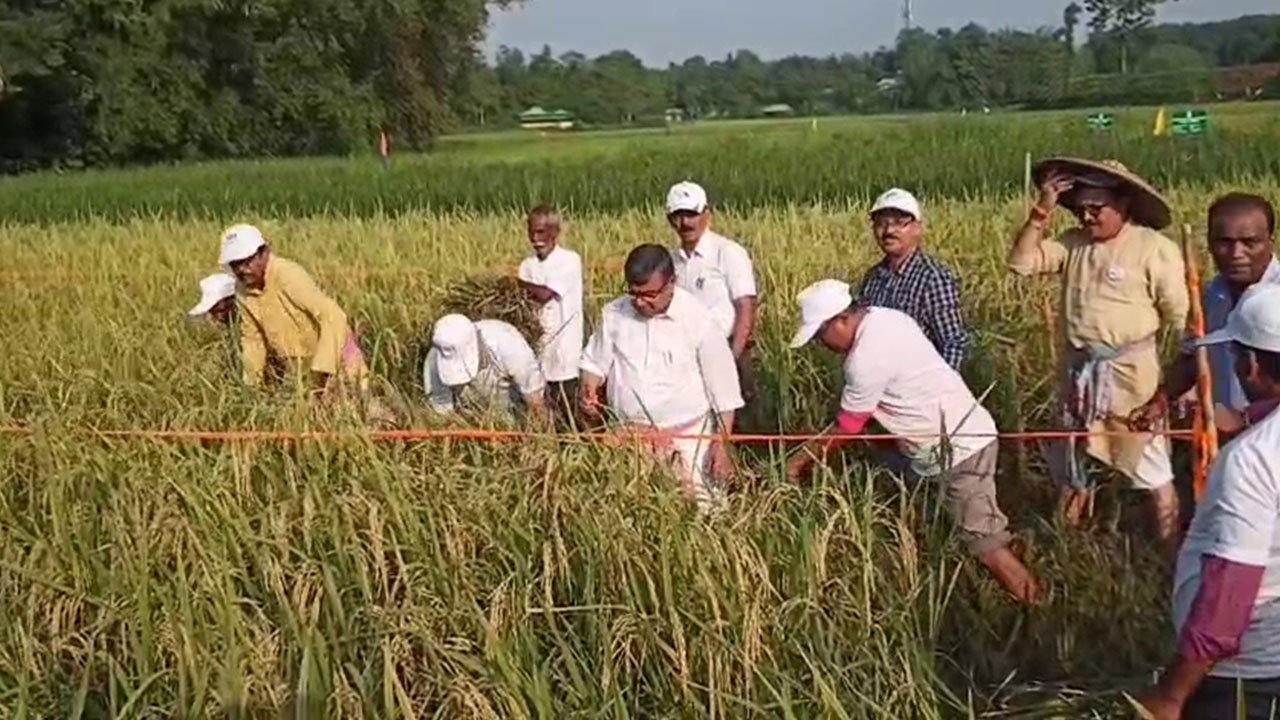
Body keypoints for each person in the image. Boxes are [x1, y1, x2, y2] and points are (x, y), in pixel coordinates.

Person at [784, 279, 1039, 604]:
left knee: (985, 546)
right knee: (956, 528)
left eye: (821, 335)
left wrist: (796, 462)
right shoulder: (886, 317)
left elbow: (848, 426)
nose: (822, 344)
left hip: (959, 450)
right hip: (958, 438)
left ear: (842, 320)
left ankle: (1034, 604)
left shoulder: (865, 359)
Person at [1008, 158, 1189, 554]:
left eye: (1097, 208)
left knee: (1151, 468)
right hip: (1078, 378)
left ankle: (1171, 553)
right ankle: (1068, 550)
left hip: (1131, 379)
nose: (1088, 216)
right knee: (1072, 464)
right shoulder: (1073, 244)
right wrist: (1042, 210)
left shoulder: (1154, 249)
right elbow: (1020, 264)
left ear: (1123, 203)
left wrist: (1184, 383)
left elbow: (1180, 318)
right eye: (1081, 208)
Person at [1137, 285, 1280, 720]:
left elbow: (1228, 594)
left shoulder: (1253, 459)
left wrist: (1172, 695)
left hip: (1246, 677)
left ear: (1251, 363)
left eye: (1237, 356)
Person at [579, 243, 743, 510]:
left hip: (688, 442)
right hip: (629, 442)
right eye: (634, 294)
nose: (641, 302)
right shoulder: (614, 314)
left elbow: (724, 394)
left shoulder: (699, 320)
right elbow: (594, 363)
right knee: (629, 514)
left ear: (671, 283)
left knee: (699, 515)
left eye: (650, 294)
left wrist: (721, 446)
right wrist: (589, 388)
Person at [1131, 193, 1279, 437]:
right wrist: (1161, 401)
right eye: (1224, 242)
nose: (1236, 253)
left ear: (1270, 242)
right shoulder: (1212, 294)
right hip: (1224, 435)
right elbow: (1194, 355)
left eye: (1249, 242)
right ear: (1209, 244)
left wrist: (1245, 418)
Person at [218, 224, 369, 393]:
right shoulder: (242, 290)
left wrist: (321, 370)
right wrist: (251, 386)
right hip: (301, 370)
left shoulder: (286, 274)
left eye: (246, 261)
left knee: (359, 412)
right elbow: (253, 340)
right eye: (235, 264)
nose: (241, 269)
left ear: (264, 253)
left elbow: (332, 314)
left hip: (338, 361)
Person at [665, 181, 760, 416]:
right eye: (678, 215)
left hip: (728, 347)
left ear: (707, 214)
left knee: (737, 421)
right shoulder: (671, 261)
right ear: (670, 219)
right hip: (688, 356)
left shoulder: (727, 252)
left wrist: (733, 356)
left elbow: (745, 307)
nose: (685, 223)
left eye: (691, 214)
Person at [857, 188, 968, 369]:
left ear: (917, 228)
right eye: (881, 223)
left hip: (917, 387)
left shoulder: (933, 278)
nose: (889, 230)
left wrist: (938, 387)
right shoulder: (873, 278)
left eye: (900, 222)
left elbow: (953, 343)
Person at [516, 205, 584, 428]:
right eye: (532, 232)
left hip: (565, 351)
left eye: (542, 232)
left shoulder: (569, 260)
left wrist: (515, 285)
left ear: (555, 232)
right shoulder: (527, 266)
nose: (536, 239)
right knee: (543, 413)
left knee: (570, 415)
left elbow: (544, 294)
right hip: (539, 350)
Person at [423, 313, 548, 421]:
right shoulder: (434, 362)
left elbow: (536, 401)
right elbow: (443, 411)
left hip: (518, 410)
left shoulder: (508, 345)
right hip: (472, 417)